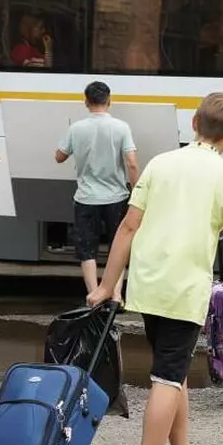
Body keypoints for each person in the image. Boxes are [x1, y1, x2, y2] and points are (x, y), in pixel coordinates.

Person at [87, 92, 223, 445]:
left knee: (172, 372)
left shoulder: (161, 163)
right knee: (165, 377)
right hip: (184, 288)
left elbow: (128, 226)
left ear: (194, 123)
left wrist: (108, 285)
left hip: (148, 283)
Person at [54, 81, 140, 295]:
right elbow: (131, 162)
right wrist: (136, 189)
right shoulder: (121, 127)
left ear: (86, 102)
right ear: (109, 101)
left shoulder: (76, 128)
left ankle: (93, 294)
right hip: (116, 197)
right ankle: (116, 294)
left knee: (87, 250)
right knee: (117, 247)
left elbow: (59, 157)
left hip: (86, 199)